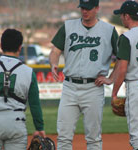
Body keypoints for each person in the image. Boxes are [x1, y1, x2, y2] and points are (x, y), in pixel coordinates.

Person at [49, 0, 118, 149]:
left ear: (97, 8)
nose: (84, 11)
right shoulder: (68, 26)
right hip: (70, 87)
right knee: (63, 137)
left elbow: (122, 58)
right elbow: (55, 51)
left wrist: (111, 78)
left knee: (93, 138)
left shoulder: (108, 30)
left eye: (88, 8)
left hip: (93, 87)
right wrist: (54, 63)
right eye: (82, 8)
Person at [100, 1, 138, 150]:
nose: (121, 18)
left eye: (122, 15)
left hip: (137, 86)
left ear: (127, 16)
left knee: (137, 139)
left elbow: (122, 69)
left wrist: (114, 94)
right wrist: (110, 78)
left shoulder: (127, 37)